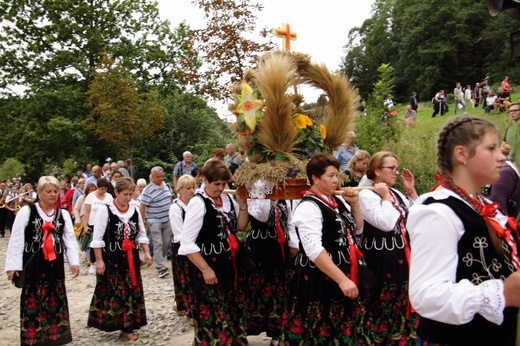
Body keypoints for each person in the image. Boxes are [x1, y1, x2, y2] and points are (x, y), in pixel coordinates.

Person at [407, 116, 520, 345]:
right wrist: (502, 293)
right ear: (461, 154)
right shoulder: (438, 212)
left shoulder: (482, 207)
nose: (501, 156)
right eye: (491, 148)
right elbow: (426, 295)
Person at [279, 153, 372, 345]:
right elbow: (313, 250)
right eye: (330, 176)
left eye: (336, 175)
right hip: (319, 278)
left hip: (342, 272)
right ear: (315, 178)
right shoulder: (309, 207)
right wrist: (342, 280)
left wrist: (355, 204)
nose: (336, 180)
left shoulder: (336, 201)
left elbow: (358, 229)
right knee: (320, 331)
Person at [178, 159, 250, 345]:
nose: (220, 188)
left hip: (230, 264)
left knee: (231, 308)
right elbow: (186, 243)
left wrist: (242, 205)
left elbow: (240, 228)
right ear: (205, 181)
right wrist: (205, 269)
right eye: (216, 184)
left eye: (223, 184)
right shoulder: (198, 203)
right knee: (212, 313)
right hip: (210, 264)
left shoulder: (227, 199)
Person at [5, 176, 80, 345]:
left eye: (55, 191)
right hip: (34, 264)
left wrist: (74, 262)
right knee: (34, 298)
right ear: (39, 192)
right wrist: (13, 266)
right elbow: (17, 239)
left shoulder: (63, 214)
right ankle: (34, 338)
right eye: (48, 191)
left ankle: (54, 337)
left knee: (55, 297)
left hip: (55, 264)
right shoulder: (27, 211)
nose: (53, 195)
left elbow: (69, 240)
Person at [358, 151, 419, 344]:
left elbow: (417, 216)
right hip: (380, 258)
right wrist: (385, 198)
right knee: (383, 302)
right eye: (391, 168)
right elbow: (385, 223)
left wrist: (411, 192)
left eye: (397, 168)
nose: (396, 172)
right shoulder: (366, 195)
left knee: (401, 300)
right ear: (377, 170)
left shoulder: (396, 193)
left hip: (400, 255)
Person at [87, 177, 153, 341]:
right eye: (125, 194)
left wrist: (147, 252)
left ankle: (128, 325)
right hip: (112, 257)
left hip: (129, 257)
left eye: (131, 194)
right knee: (116, 291)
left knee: (131, 289)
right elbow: (97, 238)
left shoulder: (134, 210)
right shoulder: (105, 210)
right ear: (115, 193)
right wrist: (99, 260)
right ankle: (121, 325)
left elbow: (141, 234)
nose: (128, 198)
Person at [245, 196, 298, 344]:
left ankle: (277, 332)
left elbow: (290, 221)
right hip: (259, 246)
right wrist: (265, 194)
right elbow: (262, 216)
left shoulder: (284, 198)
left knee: (280, 288)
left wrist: (293, 242)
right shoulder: (254, 197)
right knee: (259, 288)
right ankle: (253, 329)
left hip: (279, 245)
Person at [169, 174, 196, 317]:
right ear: (180, 189)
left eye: (193, 187)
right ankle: (187, 307)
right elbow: (178, 232)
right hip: (182, 246)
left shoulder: (194, 204)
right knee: (185, 277)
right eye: (188, 188)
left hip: (194, 244)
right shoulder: (176, 207)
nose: (191, 191)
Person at [139, 166, 173, 278]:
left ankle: (160, 260)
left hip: (167, 218)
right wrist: (142, 220)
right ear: (152, 177)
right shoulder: (148, 190)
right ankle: (160, 267)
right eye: (158, 177)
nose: (160, 178)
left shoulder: (167, 186)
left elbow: (170, 200)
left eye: (161, 176)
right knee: (158, 242)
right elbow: (142, 206)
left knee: (166, 242)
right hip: (154, 219)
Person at [82, 178, 113, 274]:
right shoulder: (91, 196)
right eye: (101, 189)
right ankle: (92, 263)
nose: (103, 191)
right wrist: (85, 225)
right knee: (93, 244)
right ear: (98, 188)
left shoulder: (109, 196)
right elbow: (86, 212)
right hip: (93, 223)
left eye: (105, 189)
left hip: (106, 224)